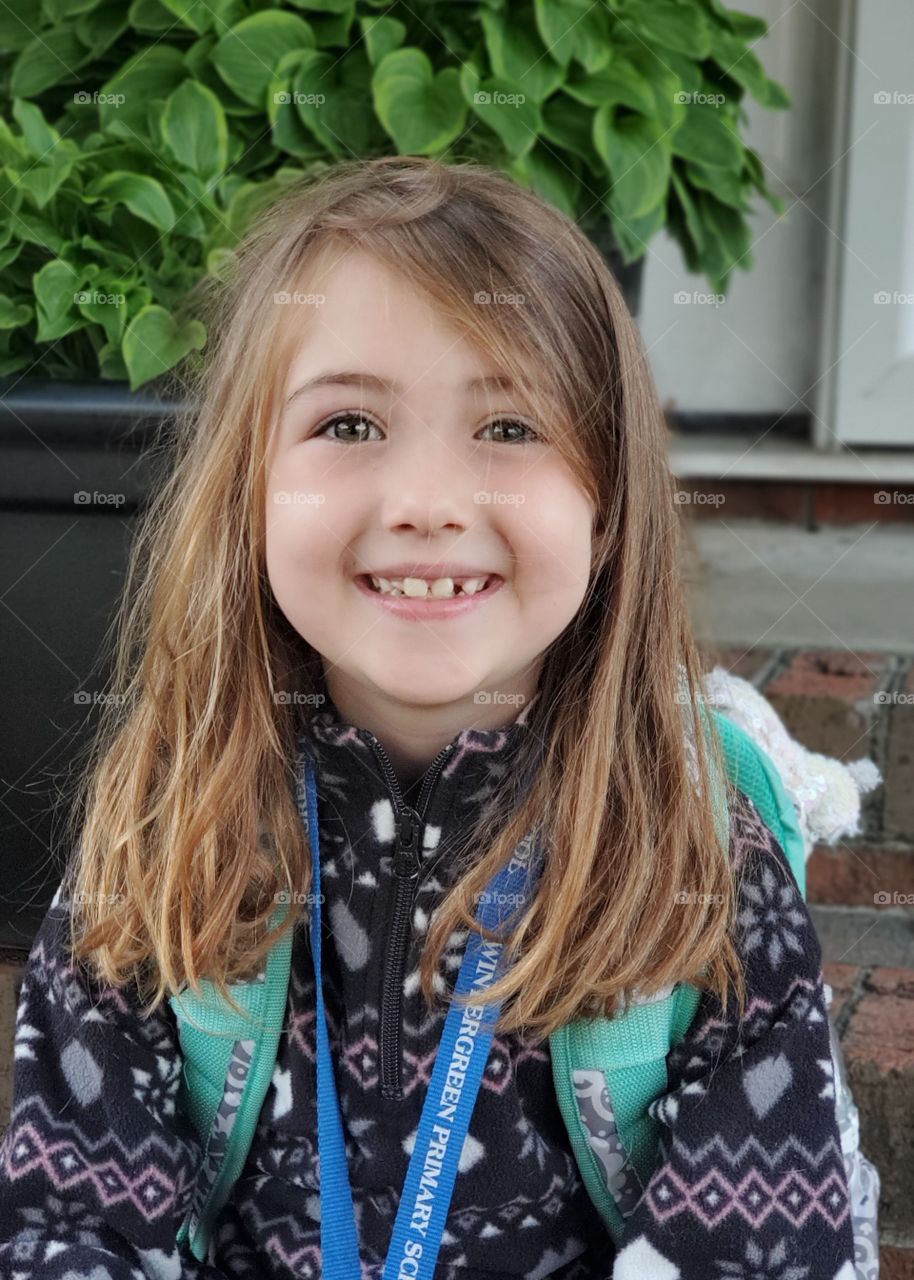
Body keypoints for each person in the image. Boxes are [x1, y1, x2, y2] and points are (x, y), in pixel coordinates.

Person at [0, 156, 858, 1279]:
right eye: (348, 424)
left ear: (607, 507)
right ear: (245, 492)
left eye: (508, 428)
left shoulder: (696, 843)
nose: (425, 501)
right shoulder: (159, 832)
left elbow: (761, 1246)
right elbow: (71, 1224)